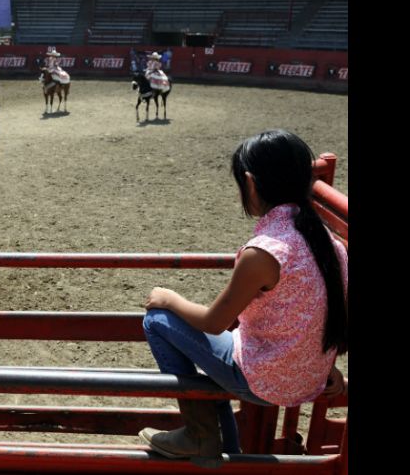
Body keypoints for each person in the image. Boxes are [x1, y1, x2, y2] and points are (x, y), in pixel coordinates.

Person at [137, 130, 348, 464]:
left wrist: (168, 298)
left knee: (158, 320)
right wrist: (327, 364)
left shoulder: (265, 252)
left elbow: (214, 321)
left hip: (266, 380)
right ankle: (224, 452)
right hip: (310, 378)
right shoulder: (330, 243)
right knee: (211, 373)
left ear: (250, 183)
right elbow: (329, 307)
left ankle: (198, 433)